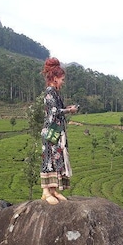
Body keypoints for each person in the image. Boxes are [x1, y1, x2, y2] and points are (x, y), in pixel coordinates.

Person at [40, 57, 78, 205]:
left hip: (57, 131)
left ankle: (54, 189)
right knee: (48, 159)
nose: (62, 82)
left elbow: (58, 109)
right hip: (51, 132)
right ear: (55, 78)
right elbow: (55, 111)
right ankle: (45, 191)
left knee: (57, 159)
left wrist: (67, 109)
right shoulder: (50, 91)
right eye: (61, 79)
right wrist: (69, 111)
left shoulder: (55, 92)